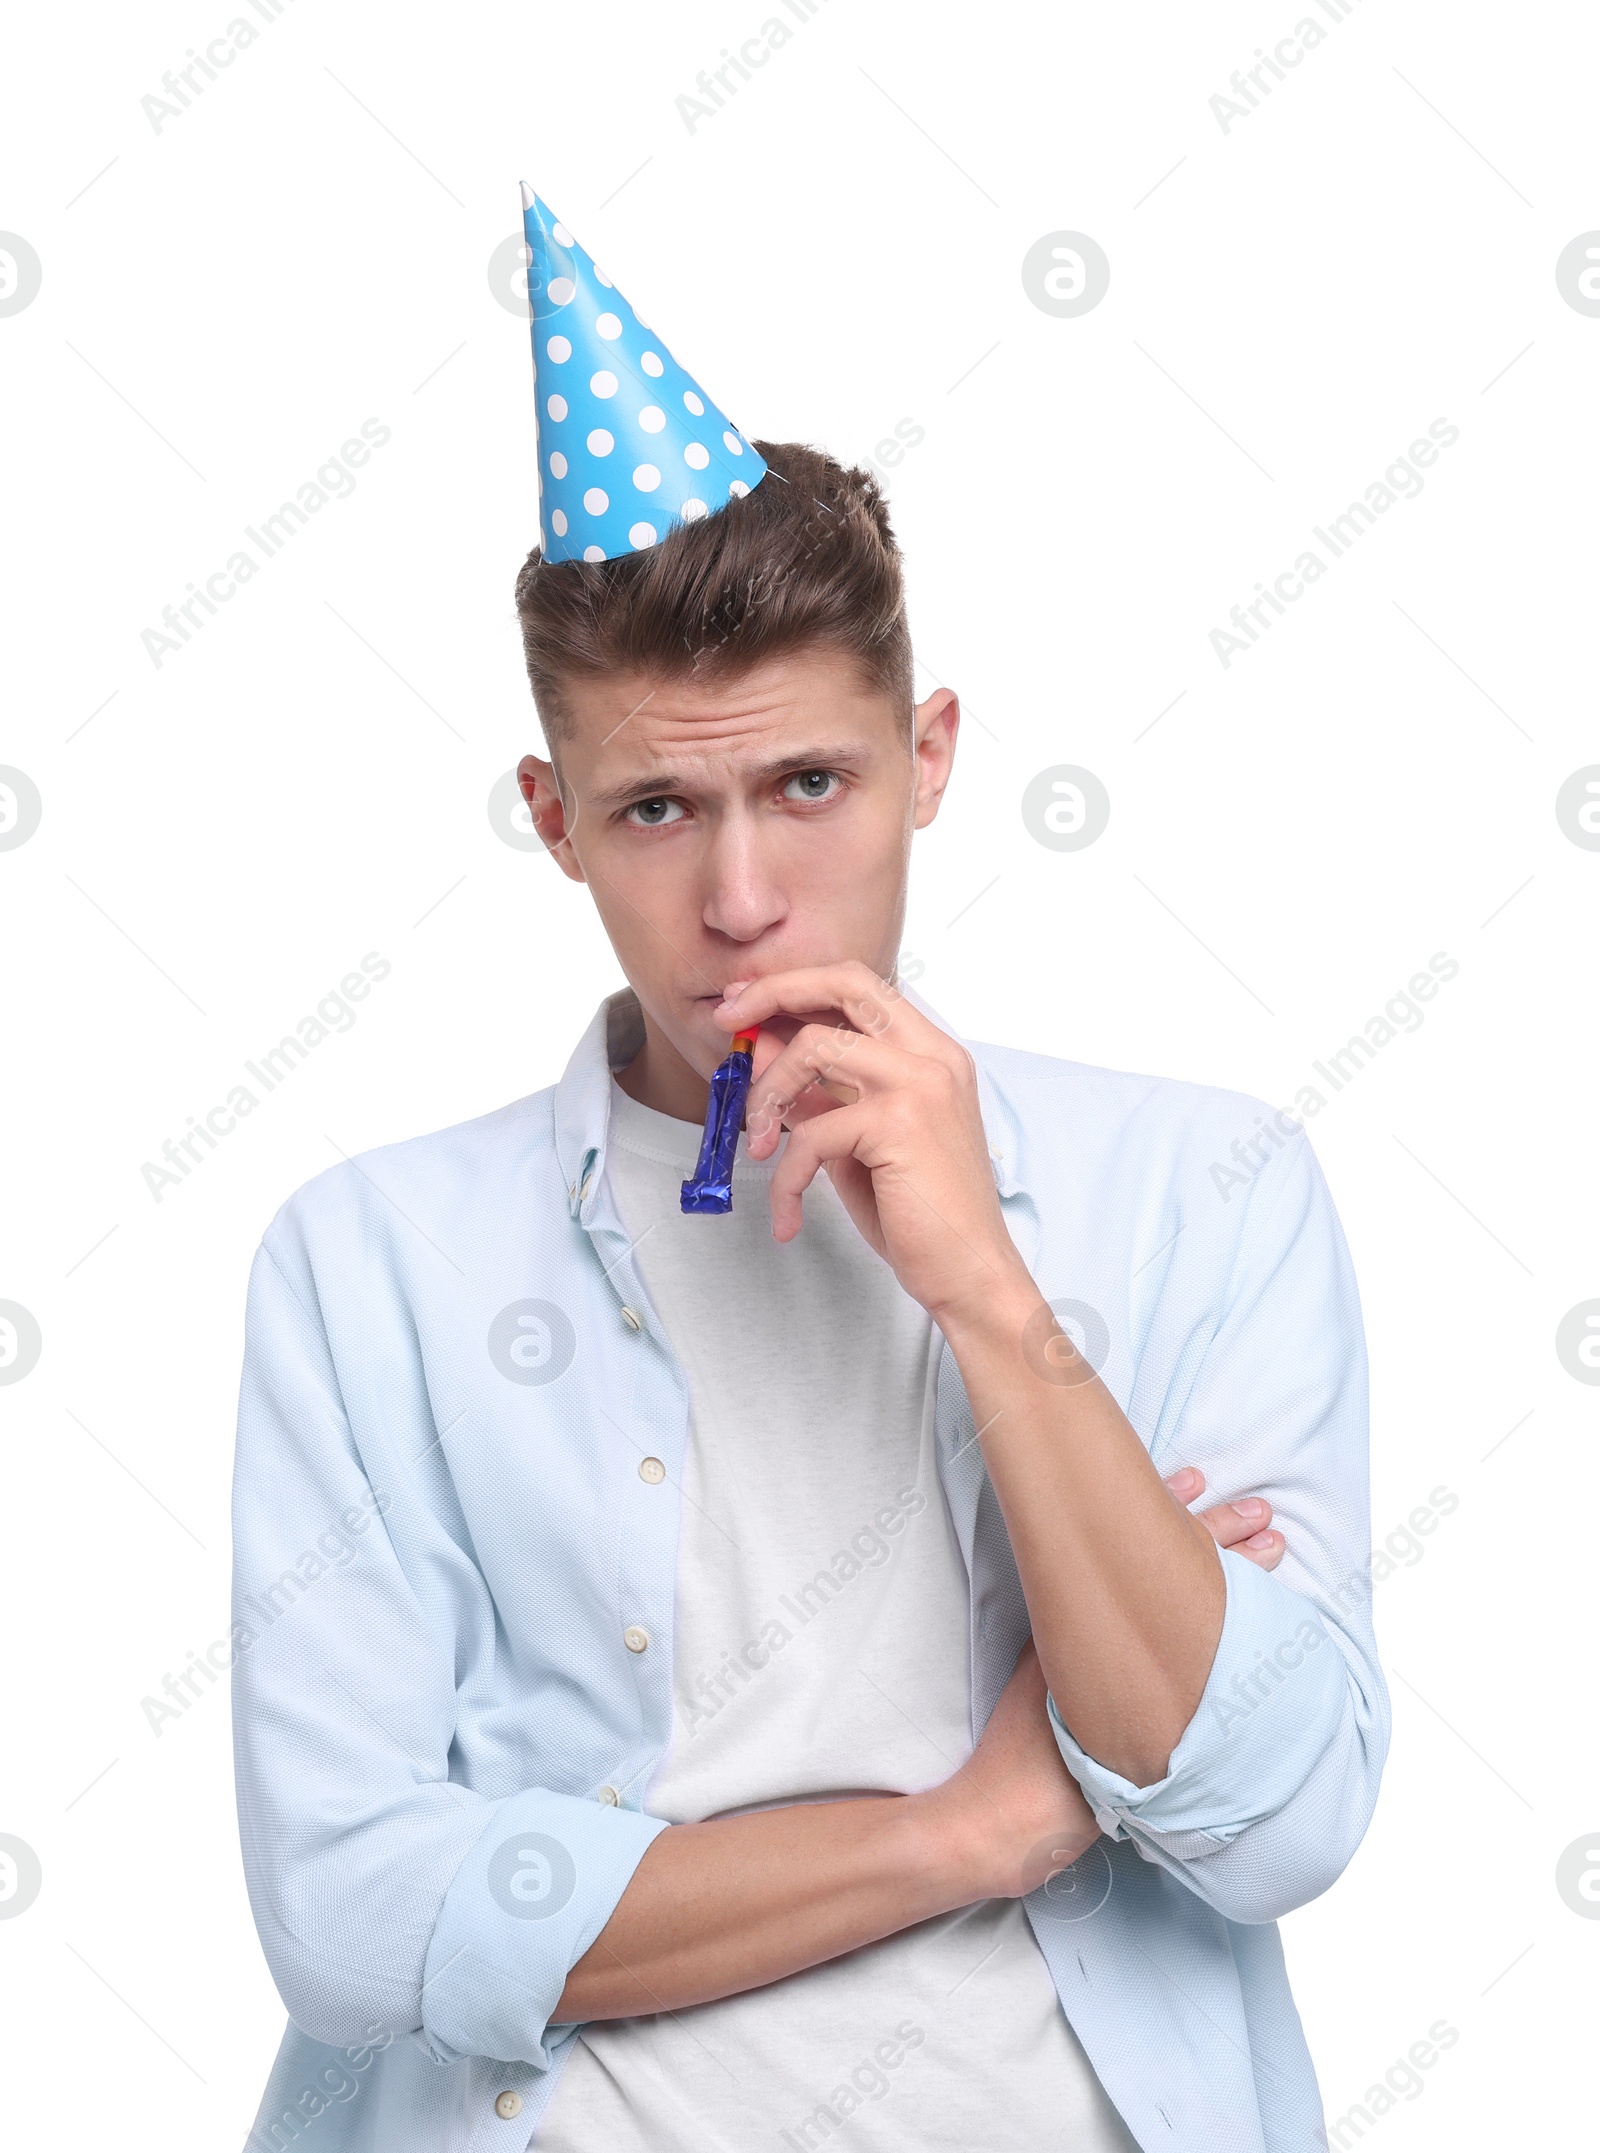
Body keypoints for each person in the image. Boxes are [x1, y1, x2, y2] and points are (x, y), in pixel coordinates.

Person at [231, 196, 1387, 2153]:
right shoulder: (373, 1266)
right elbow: (349, 1913)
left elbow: (1273, 1820)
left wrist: (990, 1308)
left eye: (810, 789)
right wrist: (978, 1830)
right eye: (657, 808)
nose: (743, 899)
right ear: (554, 819)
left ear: (927, 755)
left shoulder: (1203, 1194)